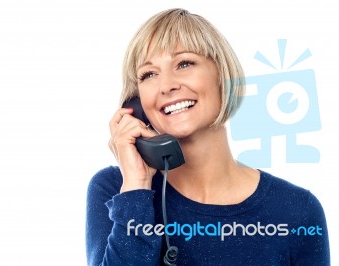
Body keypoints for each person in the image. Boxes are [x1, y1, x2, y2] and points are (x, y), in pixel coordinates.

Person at [86, 8, 330, 265]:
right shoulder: (116, 190)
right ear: (136, 104)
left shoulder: (297, 210)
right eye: (149, 74)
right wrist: (136, 187)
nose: (167, 85)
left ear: (222, 76)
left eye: (184, 63)